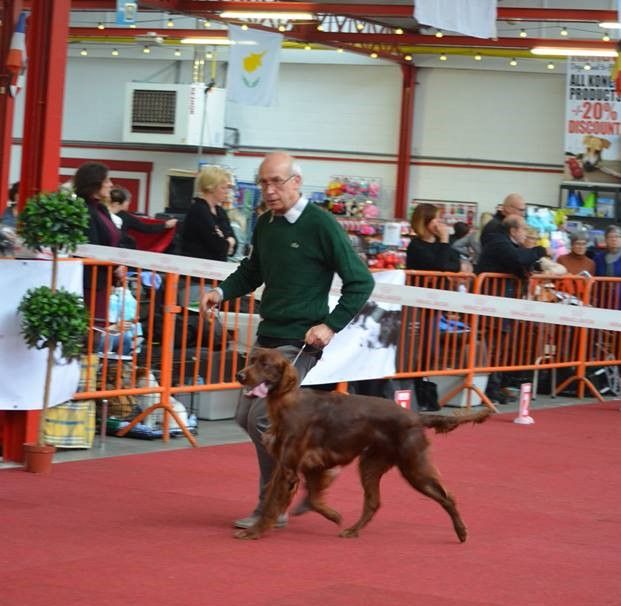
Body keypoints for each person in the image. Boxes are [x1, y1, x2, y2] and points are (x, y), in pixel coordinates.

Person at [200, 151, 374, 529]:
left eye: (276, 181)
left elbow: (362, 282)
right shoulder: (265, 224)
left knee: (264, 419)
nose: (269, 189)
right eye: (263, 182)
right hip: (268, 340)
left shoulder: (322, 225)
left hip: (299, 344)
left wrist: (329, 326)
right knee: (244, 415)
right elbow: (252, 271)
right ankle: (311, 459)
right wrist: (222, 291)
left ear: (297, 181)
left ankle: (273, 504)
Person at [73, 162, 126, 325]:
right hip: (90, 282)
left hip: (103, 280)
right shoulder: (83, 209)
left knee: (98, 329)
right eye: (107, 180)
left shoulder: (101, 209)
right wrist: (115, 266)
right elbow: (92, 246)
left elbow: (116, 239)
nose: (111, 184)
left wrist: (119, 264)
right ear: (95, 183)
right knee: (91, 330)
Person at [181, 165, 237, 262]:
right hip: (196, 272)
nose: (227, 192)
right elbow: (218, 246)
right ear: (211, 188)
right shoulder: (198, 210)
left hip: (216, 270)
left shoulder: (220, 211)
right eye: (223, 188)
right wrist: (227, 242)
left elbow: (234, 244)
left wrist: (226, 242)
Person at [476, 215, 549, 278]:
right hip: (490, 291)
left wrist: (538, 266)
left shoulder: (508, 243)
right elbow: (516, 258)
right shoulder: (499, 243)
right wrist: (541, 251)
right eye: (524, 229)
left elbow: (519, 266)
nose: (526, 234)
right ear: (513, 231)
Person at [108, 187, 178, 250]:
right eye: (127, 200)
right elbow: (145, 228)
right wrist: (165, 225)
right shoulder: (125, 217)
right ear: (118, 203)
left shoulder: (101, 213)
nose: (129, 203)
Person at [406, 203, 469, 272]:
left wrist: (444, 240)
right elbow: (440, 267)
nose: (440, 221)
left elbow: (456, 264)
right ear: (425, 221)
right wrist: (444, 239)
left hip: (442, 282)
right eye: (437, 218)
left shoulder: (439, 240)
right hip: (421, 282)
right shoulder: (416, 245)